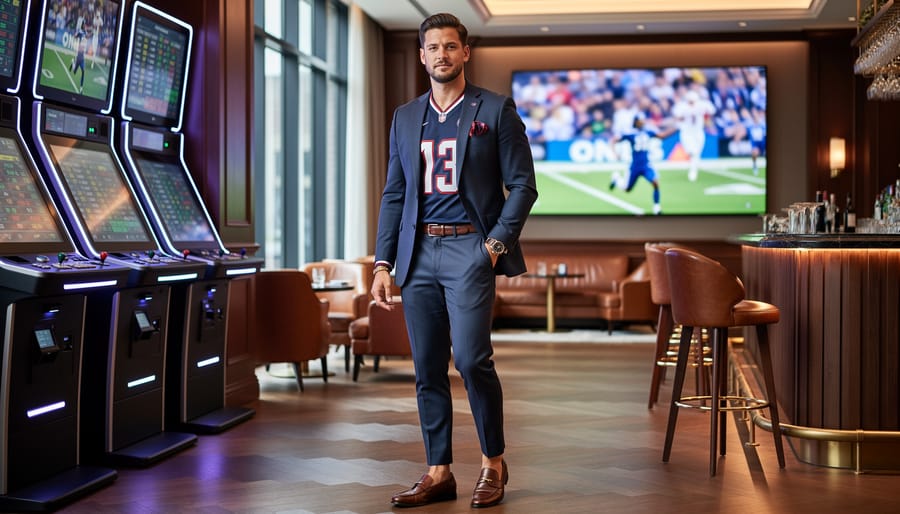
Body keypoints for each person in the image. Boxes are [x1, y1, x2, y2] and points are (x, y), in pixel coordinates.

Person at [370, 12, 537, 509]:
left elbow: (523, 186)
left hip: (470, 249)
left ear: (465, 53)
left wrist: (494, 247)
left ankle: (492, 462)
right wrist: (382, 263)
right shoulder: (405, 117)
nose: (441, 54)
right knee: (427, 366)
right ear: (421, 56)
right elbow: (394, 194)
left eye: (449, 46)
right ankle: (438, 471)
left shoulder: (496, 109)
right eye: (432, 47)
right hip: (418, 252)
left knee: (470, 359)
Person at [609, 116, 676, 215]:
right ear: (636, 122)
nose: (643, 122)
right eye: (641, 120)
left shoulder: (647, 132)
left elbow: (661, 136)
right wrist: (615, 153)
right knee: (627, 189)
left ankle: (656, 207)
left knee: (655, 182)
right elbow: (613, 140)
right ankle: (617, 179)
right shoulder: (630, 133)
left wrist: (674, 129)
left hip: (646, 165)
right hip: (634, 166)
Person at [671, 89, 715, 181]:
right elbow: (677, 116)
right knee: (690, 152)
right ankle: (693, 169)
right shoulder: (682, 106)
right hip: (686, 132)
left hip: (698, 131)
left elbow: (712, 111)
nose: (691, 103)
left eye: (693, 101)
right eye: (690, 101)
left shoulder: (702, 105)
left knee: (696, 153)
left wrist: (705, 115)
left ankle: (693, 171)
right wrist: (685, 115)